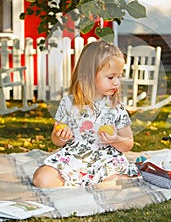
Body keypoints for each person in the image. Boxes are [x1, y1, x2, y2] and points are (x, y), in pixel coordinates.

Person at [33, 39, 140, 188]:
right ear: (89, 74)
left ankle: (101, 182)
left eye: (119, 76)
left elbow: (128, 142)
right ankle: (82, 182)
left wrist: (115, 139)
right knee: (42, 179)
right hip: (73, 158)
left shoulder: (116, 107)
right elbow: (55, 140)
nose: (117, 82)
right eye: (111, 77)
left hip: (105, 160)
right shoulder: (69, 103)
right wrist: (60, 135)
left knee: (116, 184)